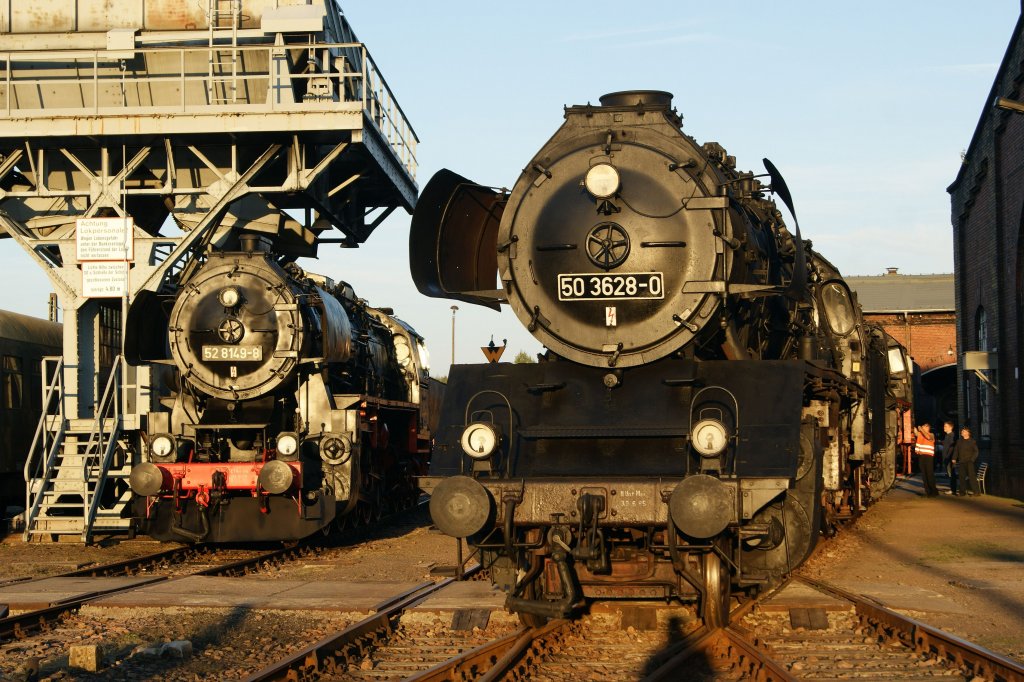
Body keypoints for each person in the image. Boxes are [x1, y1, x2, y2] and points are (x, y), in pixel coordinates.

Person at [951, 426, 981, 496]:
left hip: (969, 462)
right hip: (961, 461)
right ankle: (962, 492)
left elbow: (976, 451)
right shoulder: (959, 441)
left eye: (964, 431)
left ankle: (976, 492)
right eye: (962, 431)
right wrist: (954, 458)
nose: (962, 432)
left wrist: (972, 460)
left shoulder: (972, 441)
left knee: (972, 477)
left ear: (968, 433)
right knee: (961, 477)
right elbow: (956, 450)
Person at [914, 423, 939, 497]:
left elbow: (928, 437)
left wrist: (921, 429)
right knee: (924, 475)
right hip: (921, 456)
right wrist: (915, 429)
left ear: (928, 428)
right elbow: (916, 433)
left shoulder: (931, 434)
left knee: (929, 474)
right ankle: (928, 492)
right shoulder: (920, 434)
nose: (922, 427)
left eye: (924, 426)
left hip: (928, 457)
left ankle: (934, 491)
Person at [939, 420, 958, 495]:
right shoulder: (947, 436)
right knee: (950, 474)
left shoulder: (951, 436)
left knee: (951, 474)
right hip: (947, 458)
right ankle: (952, 489)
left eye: (945, 426)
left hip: (949, 458)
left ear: (950, 427)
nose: (944, 427)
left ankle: (953, 490)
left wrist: (948, 457)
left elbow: (952, 448)